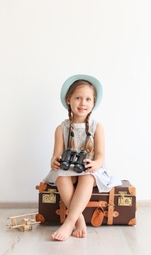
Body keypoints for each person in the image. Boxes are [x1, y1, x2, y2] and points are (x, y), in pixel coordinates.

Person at [43, 74, 122, 241]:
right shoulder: (61, 128)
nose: (83, 103)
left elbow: (100, 156)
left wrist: (96, 164)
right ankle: (79, 220)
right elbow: (56, 155)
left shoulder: (97, 127)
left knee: (86, 178)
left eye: (88, 99)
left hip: (89, 168)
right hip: (70, 168)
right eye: (78, 98)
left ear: (93, 103)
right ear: (69, 100)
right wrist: (55, 161)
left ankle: (69, 221)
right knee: (61, 178)